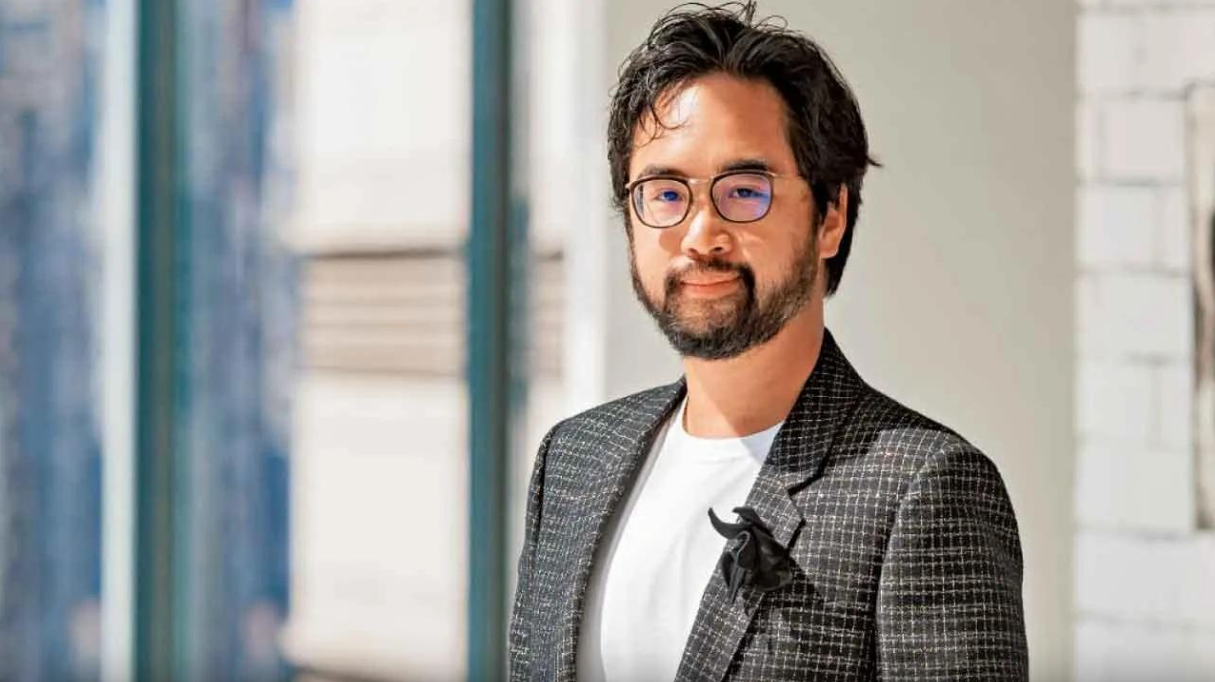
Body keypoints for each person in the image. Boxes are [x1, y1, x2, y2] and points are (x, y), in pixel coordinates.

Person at [508, 3, 1028, 680]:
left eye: (744, 190)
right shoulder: (573, 460)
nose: (701, 235)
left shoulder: (922, 491)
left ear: (830, 216)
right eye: (665, 193)